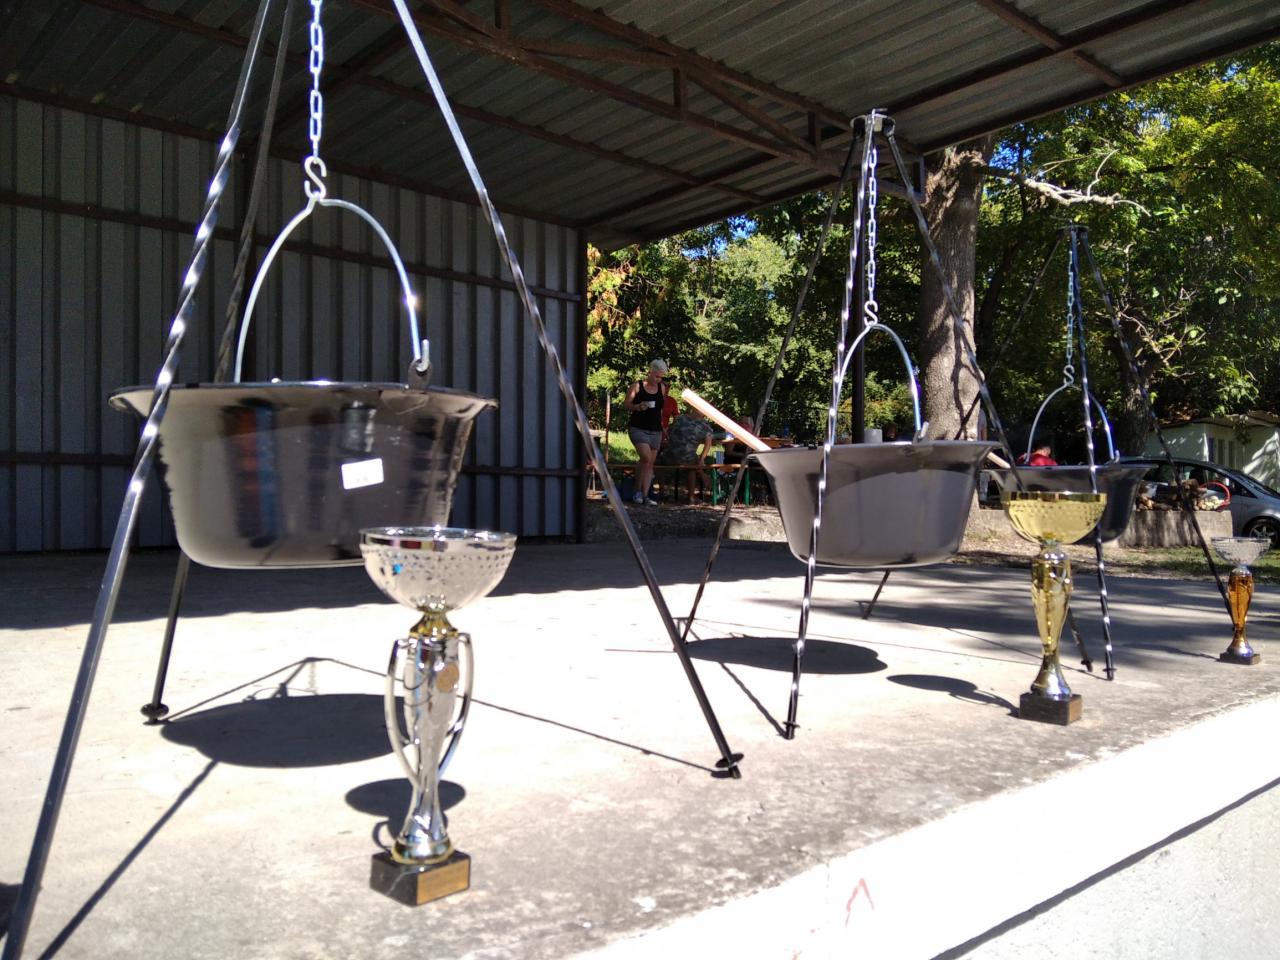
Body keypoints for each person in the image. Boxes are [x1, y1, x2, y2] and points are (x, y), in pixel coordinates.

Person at [624, 359, 669, 504]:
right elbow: (626, 404)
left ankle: (645, 495)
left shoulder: (662, 387)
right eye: (656, 376)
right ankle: (637, 491)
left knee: (649, 463)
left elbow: (660, 409)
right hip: (638, 428)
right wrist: (638, 407)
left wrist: (663, 427)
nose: (658, 380)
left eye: (660, 377)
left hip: (655, 429)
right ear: (650, 372)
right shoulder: (637, 386)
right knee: (646, 458)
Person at [659, 407, 715, 503]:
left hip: (669, 455)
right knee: (693, 465)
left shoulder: (680, 418)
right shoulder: (706, 426)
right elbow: (708, 444)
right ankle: (692, 495)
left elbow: (668, 433)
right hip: (686, 458)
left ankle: (662, 493)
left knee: (654, 461)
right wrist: (702, 459)